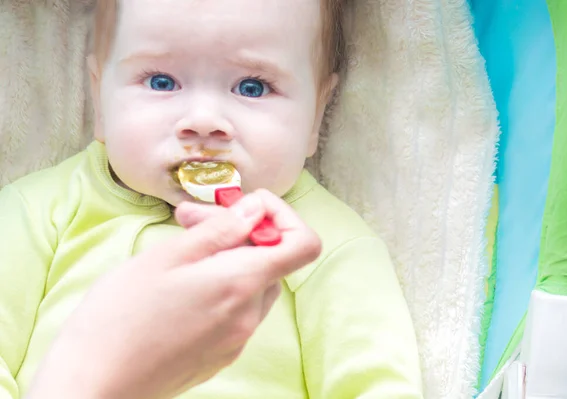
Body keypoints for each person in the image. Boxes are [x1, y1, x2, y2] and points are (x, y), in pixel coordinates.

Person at [0, 0, 423, 398]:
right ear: (101, 102)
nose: (203, 121)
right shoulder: (39, 209)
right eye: (161, 82)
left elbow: (378, 385)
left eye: (253, 87)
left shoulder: (327, 243)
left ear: (315, 116)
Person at [23, 194, 323, 399]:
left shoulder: (324, 232)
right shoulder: (38, 207)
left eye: (253, 94)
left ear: (312, 129)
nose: (203, 121)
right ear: (100, 114)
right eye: (163, 94)